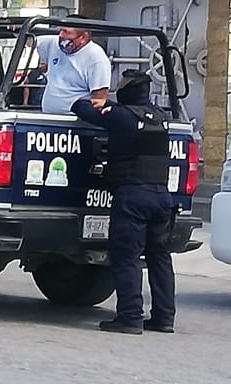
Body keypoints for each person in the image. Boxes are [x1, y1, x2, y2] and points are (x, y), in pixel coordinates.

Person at [72, 70, 176, 335]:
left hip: (133, 195)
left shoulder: (121, 116)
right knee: (159, 258)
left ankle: (130, 317)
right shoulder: (161, 117)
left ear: (129, 89)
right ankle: (164, 317)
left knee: (126, 257)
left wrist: (100, 103)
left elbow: (80, 108)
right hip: (162, 197)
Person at [36, 15, 113, 115]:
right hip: (48, 118)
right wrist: (14, 29)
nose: (61, 35)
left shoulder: (96, 58)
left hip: (75, 121)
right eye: (61, 31)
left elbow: (99, 99)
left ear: (83, 37)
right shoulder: (53, 43)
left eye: (66, 32)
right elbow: (30, 40)